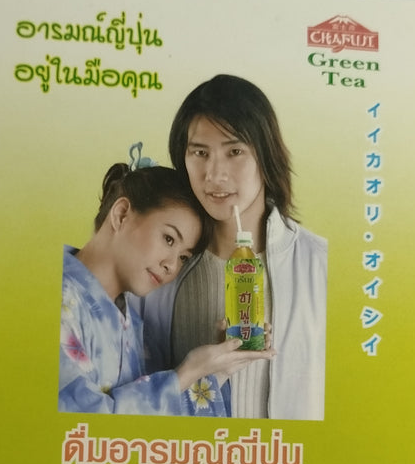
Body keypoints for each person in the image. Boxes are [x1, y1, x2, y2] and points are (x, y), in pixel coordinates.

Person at [138, 75, 327, 420]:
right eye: (200, 153)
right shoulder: (152, 267)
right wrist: (197, 371)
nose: (214, 174)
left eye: (235, 151)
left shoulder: (320, 265)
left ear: (266, 155)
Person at [59, 161, 273, 415]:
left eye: (183, 257)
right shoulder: (50, 299)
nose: (171, 266)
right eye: (169, 239)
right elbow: (76, 422)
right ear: (121, 214)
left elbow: (160, 422)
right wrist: (187, 372)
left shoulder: (133, 325)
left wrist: (219, 367)